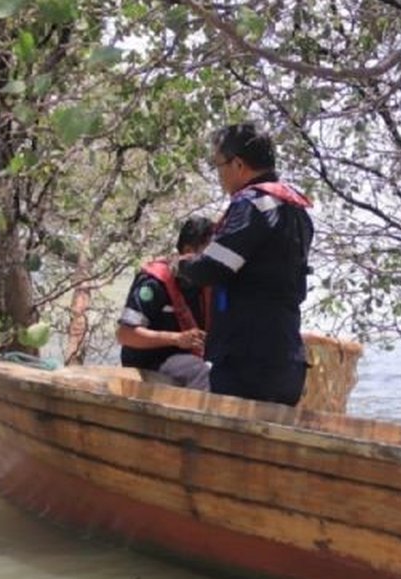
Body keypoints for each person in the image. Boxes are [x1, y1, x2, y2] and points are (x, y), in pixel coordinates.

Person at [177, 123, 314, 406]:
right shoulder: (296, 209)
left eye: (219, 166)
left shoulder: (252, 205)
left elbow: (213, 268)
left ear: (238, 164)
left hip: (249, 360)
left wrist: (183, 265)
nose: (219, 176)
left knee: (226, 444)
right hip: (286, 356)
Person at [116, 216, 214, 390]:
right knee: (199, 372)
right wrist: (176, 339)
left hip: (190, 356)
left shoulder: (207, 284)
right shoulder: (154, 282)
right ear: (189, 251)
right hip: (150, 360)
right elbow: (125, 334)